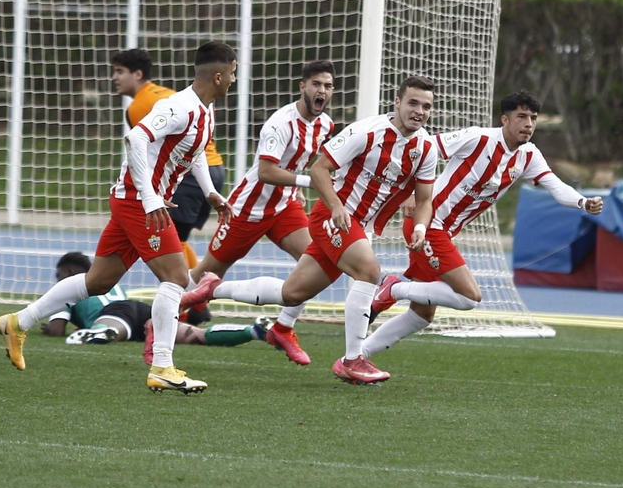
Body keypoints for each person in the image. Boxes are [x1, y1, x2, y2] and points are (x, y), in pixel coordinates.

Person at [0, 41, 237, 393]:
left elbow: (194, 151)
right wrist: (151, 198)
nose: (233, 80)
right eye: (232, 73)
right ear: (218, 76)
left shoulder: (205, 110)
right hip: (139, 201)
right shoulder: (178, 106)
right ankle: (163, 366)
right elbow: (136, 138)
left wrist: (210, 192)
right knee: (175, 277)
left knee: (97, 282)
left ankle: (18, 322)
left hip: (134, 200)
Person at [180, 75, 438, 386]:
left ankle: (212, 289)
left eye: (426, 106)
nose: (419, 111)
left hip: (356, 225)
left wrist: (420, 226)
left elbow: (424, 199)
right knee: (369, 271)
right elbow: (319, 168)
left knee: (292, 293)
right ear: (397, 103)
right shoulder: (367, 131)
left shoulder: (426, 147)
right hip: (332, 216)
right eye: (413, 103)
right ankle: (352, 360)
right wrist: (336, 206)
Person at [364, 90, 604, 356]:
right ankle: (394, 288)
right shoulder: (477, 138)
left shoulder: (528, 155)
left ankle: (358, 356)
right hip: (428, 224)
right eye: (521, 116)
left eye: (533, 118)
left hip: (442, 232)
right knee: (469, 296)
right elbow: (423, 149)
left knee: (422, 315)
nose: (528, 124)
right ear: (505, 120)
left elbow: (556, 187)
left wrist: (583, 202)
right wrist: (411, 192)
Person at [186, 59, 337, 365]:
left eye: (328, 85)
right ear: (303, 87)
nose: (322, 90)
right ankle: (158, 321)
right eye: (316, 84)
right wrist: (309, 183)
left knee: (318, 261)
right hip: (248, 209)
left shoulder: (325, 125)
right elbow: (266, 172)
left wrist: (297, 190)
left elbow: (298, 163)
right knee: (206, 275)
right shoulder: (280, 123)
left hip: (285, 207)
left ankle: (283, 328)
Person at [110, 48, 226, 275]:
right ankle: (192, 289)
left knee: (173, 244)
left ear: (138, 74)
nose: (114, 77)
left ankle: (193, 293)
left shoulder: (140, 105)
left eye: (120, 71)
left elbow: (142, 148)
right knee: (177, 239)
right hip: (213, 167)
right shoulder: (174, 95)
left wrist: (148, 194)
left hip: (189, 172)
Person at [39, 252, 274, 350]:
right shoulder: (109, 282)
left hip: (116, 314)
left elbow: (58, 329)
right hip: (142, 310)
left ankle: (104, 332)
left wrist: (50, 327)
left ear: (69, 273)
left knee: (113, 328)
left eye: (59, 276)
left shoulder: (69, 289)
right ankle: (253, 331)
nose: (57, 281)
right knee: (196, 336)